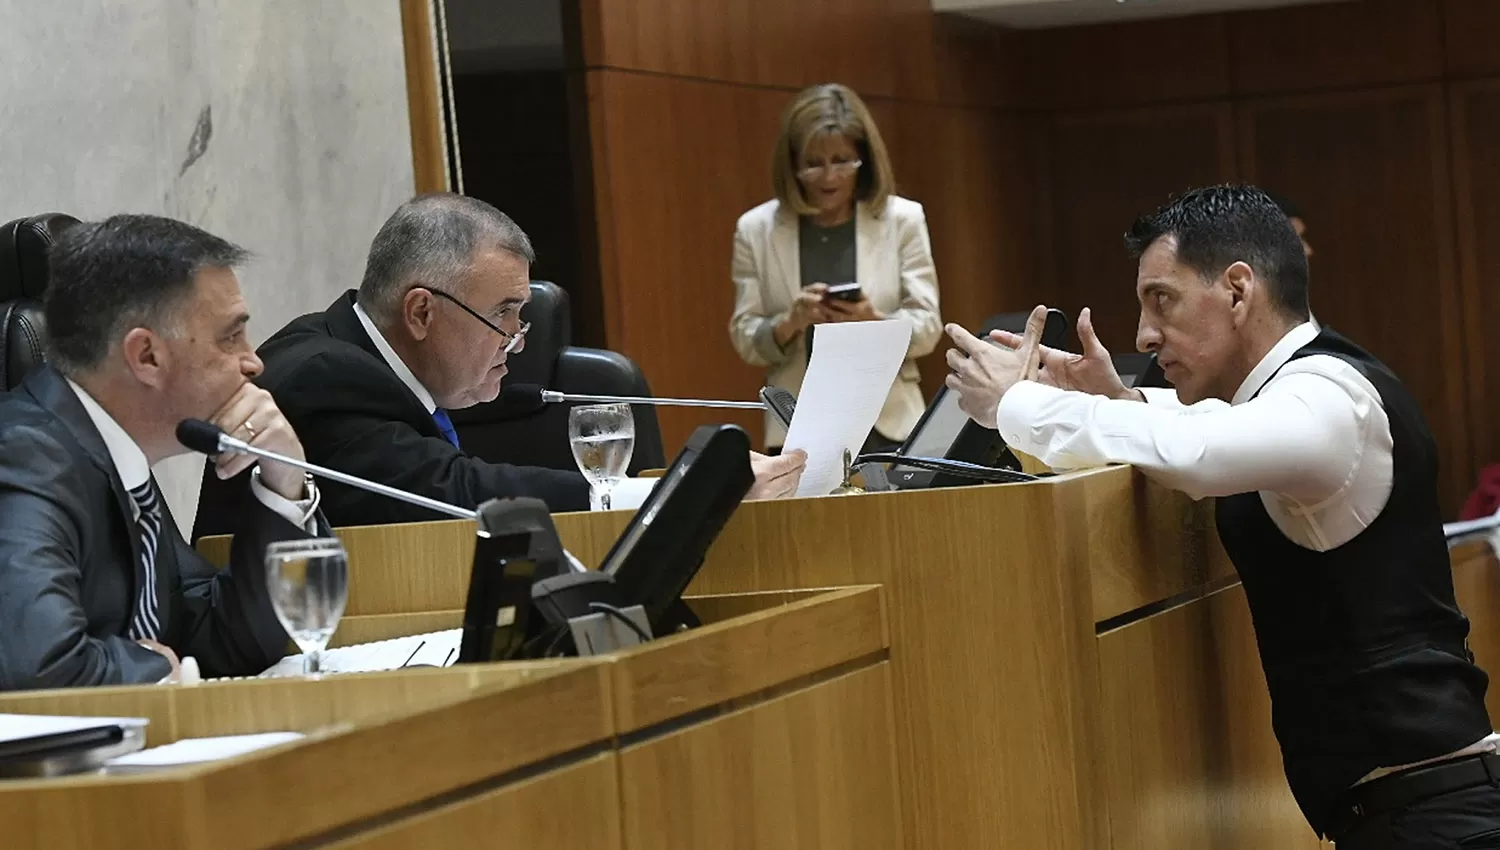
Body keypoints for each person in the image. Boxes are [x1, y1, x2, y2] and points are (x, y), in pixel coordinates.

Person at [944, 185, 1498, 848]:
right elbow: (1210, 426)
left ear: (1238, 290)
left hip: (1437, 820)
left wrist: (1015, 404)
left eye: (1163, 300)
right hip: (1410, 812)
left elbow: (1200, 451)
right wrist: (1117, 399)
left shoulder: (1328, 400)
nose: (1145, 334)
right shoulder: (1301, 390)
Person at [194, 194, 805, 536]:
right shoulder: (323, 375)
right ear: (421, 313)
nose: (517, 339)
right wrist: (673, 492)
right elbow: (452, 492)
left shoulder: (366, 359)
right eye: (505, 313)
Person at [0, 215, 324, 691]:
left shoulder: (117, 459)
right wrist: (162, 670)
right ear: (146, 356)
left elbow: (225, 642)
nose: (254, 361)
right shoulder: (25, 456)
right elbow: (38, 666)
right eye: (230, 336)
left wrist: (283, 478)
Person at [729, 82, 941, 454]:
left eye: (842, 161)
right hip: (796, 427)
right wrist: (791, 322)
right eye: (813, 164)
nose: (829, 177)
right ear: (792, 165)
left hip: (889, 423)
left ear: (864, 159)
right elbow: (746, 337)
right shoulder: (755, 230)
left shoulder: (903, 219)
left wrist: (872, 320)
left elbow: (928, 328)